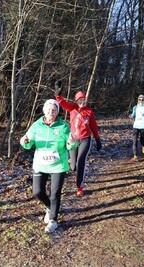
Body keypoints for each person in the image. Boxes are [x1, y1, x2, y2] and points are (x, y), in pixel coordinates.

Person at [20, 99, 78, 233]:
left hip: (58, 165)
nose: (51, 112)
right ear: (44, 110)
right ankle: (50, 207)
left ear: (57, 111)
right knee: (37, 192)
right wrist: (24, 141)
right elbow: (27, 143)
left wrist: (71, 143)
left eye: (54, 110)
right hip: (40, 164)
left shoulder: (63, 126)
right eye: (49, 110)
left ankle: (53, 220)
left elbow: (71, 145)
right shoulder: (36, 125)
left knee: (54, 193)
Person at [54, 81, 102, 196]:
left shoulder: (89, 112)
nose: (82, 102)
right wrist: (58, 94)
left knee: (81, 162)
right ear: (76, 101)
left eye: (84, 100)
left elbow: (93, 127)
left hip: (85, 139)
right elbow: (62, 103)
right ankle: (76, 171)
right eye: (80, 100)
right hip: (74, 140)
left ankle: (79, 187)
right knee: (73, 165)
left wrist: (97, 139)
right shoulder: (72, 109)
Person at [129, 94, 144, 161]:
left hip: (143, 126)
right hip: (136, 126)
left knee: (142, 140)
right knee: (135, 141)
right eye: (139, 99)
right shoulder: (135, 107)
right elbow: (133, 114)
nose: (141, 101)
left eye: (142, 99)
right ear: (138, 100)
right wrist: (131, 115)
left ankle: (143, 145)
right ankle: (135, 156)